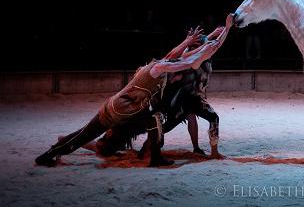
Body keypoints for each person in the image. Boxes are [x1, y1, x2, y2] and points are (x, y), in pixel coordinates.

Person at [35, 14, 233, 167]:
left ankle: (48, 155)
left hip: (113, 106)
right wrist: (220, 35)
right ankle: (154, 158)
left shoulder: (155, 64)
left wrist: (190, 41)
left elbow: (175, 54)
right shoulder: (160, 69)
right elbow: (188, 61)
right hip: (125, 108)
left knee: (84, 135)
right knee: (154, 118)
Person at [96, 25, 226, 159]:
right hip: (172, 100)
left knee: (193, 119)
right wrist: (223, 30)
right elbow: (188, 53)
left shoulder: (198, 52)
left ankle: (197, 148)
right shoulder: (187, 55)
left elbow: (206, 45)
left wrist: (212, 35)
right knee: (159, 128)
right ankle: (146, 149)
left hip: (186, 98)